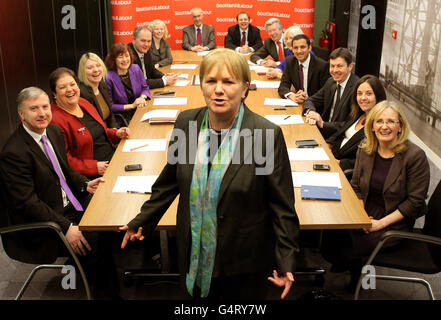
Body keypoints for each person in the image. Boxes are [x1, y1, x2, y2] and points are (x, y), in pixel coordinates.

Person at [119, 48, 300, 300]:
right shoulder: (187, 124)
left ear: (245, 88)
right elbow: (170, 180)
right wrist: (143, 219)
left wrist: (286, 261)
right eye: (211, 81)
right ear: (201, 84)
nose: (218, 89)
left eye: (228, 81)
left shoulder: (265, 135)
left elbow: (282, 207)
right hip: (193, 250)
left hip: (243, 259)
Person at [0, 87, 120, 299]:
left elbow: (63, 169)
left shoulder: (52, 131)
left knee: (111, 218)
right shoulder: (14, 152)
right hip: (46, 224)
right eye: (34, 109)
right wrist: (66, 227)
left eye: (45, 107)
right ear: (21, 114)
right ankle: (104, 292)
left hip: (69, 204)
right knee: (96, 239)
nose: (42, 113)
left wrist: (85, 184)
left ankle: (96, 274)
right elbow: (28, 204)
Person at [322, 100, 430, 290]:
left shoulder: (415, 156)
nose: (384, 126)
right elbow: (356, 186)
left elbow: (414, 203)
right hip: (366, 208)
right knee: (332, 227)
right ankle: (349, 262)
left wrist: (379, 223)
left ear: (400, 126)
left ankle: (356, 274)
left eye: (390, 121)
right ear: (372, 126)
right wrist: (360, 216)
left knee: (354, 241)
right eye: (379, 121)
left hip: (395, 217)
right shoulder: (366, 148)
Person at [49, 67, 130, 178]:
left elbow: (98, 131)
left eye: (72, 84)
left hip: (114, 158)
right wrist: (93, 167)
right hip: (93, 176)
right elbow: (64, 159)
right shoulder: (54, 120)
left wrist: (115, 133)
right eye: (62, 87)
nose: (69, 89)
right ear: (54, 93)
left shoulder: (83, 102)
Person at [326, 75, 386, 173]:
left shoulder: (380, 125)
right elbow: (340, 133)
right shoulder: (357, 114)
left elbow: (372, 159)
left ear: (378, 96)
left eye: (368, 94)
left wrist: (341, 163)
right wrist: (328, 145)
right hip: (330, 159)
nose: (363, 98)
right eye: (359, 93)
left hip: (344, 171)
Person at [303, 47, 359, 139]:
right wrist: (312, 112)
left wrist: (323, 124)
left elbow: (350, 125)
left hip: (339, 138)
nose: (335, 70)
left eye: (339, 66)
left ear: (350, 67)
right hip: (323, 132)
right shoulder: (331, 82)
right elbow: (310, 100)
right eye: (332, 66)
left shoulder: (357, 88)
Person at [105, 42, 150, 125]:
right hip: (123, 118)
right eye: (120, 57)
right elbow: (110, 106)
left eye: (127, 55)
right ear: (113, 59)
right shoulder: (108, 77)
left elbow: (145, 88)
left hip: (140, 110)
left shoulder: (135, 68)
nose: (125, 60)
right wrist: (132, 105)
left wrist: (142, 97)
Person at [277, 34, 329, 104]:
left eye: (302, 47)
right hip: (298, 104)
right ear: (292, 49)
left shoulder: (322, 66)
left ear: (309, 48)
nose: (299, 51)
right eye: (295, 48)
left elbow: (324, 93)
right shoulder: (290, 62)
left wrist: (307, 99)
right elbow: (283, 86)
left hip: (315, 106)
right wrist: (292, 96)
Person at [77, 52, 118, 129]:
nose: (95, 70)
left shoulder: (102, 85)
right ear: (83, 72)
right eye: (90, 67)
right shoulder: (82, 93)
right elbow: (92, 126)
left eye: (98, 65)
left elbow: (110, 115)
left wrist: (114, 129)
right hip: (99, 137)